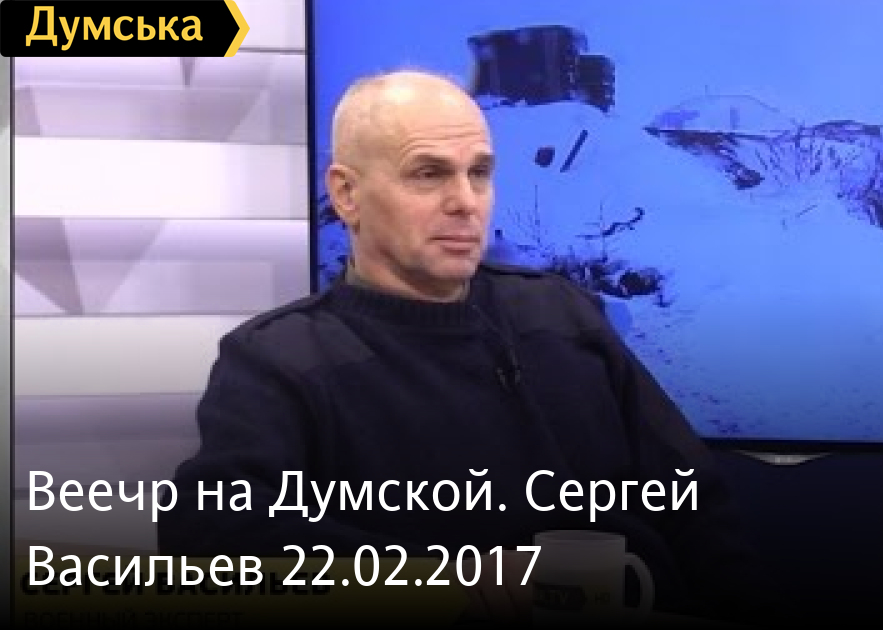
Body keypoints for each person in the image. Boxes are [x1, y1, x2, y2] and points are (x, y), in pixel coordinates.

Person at [159, 70, 773, 624]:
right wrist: (443, 583)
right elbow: (213, 545)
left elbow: (696, 507)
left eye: (479, 172)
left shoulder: (562, 315)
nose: (465, 201)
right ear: (346, 194)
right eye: (428, 173)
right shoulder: (280, 361)